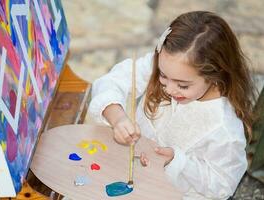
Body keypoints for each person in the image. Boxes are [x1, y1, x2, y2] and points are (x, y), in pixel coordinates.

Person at [88, 11, 256, 199]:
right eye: (162, 76)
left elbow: (221, 185)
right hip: (133, 176)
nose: (169, 89)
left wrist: (177, 161)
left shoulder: (224, 129)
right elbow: (114, 80)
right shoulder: (170, 66)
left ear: (214, 75)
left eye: (182, 85)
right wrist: (117, 117)